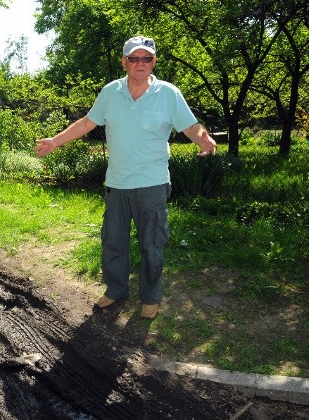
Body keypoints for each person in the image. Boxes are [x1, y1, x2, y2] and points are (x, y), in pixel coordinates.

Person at [35, 35, 217, 319]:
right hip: (117, 183)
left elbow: (190, 125)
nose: (140, 63)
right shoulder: (110, 93)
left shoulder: (168, 94)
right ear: (124, 62)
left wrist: (204, 139)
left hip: (152, 184)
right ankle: (116, 290)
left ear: (154, 62)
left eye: (146, 58)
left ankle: (151, 297)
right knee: (113, 241)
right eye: (134, 58)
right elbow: (87, 122)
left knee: (151, 245)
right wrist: (55, 141)